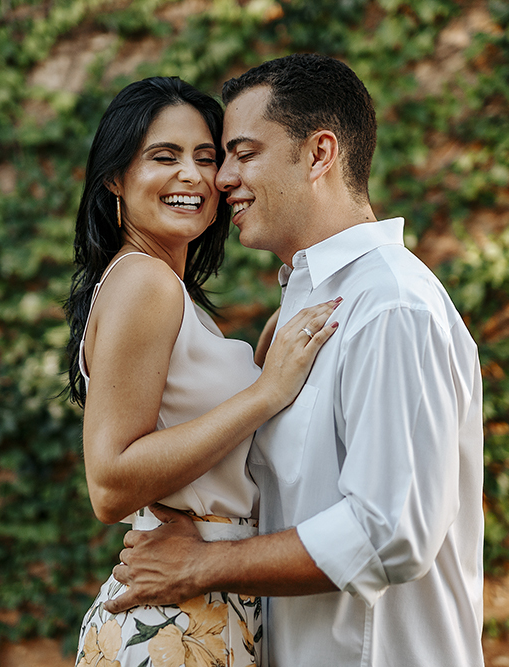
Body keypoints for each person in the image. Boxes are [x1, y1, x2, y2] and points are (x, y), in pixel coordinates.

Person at [105, 54, 486, 666]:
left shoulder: (391, 307)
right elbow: (299, 497)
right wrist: (191, 526)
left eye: (243, 153)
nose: (220, 178)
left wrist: (205, 565)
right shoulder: (307, 304)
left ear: (319, 154)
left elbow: (388, 533)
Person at [63, 76, 340, 667]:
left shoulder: (163, 289)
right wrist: (264, 392)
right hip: (172, 624)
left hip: (204, 605)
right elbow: (110, 483)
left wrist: (256, 363)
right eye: (164, 157)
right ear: (115, 177)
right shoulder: (144, 283)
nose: (192, 175)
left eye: (206, 157)